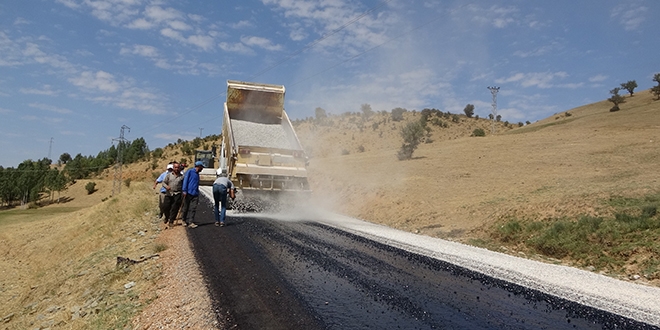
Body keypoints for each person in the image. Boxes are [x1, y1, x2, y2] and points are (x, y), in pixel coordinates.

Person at [181, 160, 204, 228]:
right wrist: (184, 190)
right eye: (201, 167)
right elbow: (185, 181)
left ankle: (191, 222)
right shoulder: (190, 171)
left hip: (195, 193)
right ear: (198, 167)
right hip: (188, 193)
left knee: (193, 208)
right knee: (185, 207)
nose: (202, 169)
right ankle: (183, 220)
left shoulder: (197, 174)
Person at [161, 162, 184, 229]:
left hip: (177, 194)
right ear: (173, 168)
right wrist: (166, 186)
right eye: (175, 167)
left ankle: (171, 221)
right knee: (165, 207)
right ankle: (167, 217)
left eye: (178, 167)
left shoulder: (182, 177)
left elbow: (184, 185)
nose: (176, 169)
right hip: (169, 193)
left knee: (175, 208)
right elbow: (163, 182)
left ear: (179, 168)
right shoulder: (169, 175)